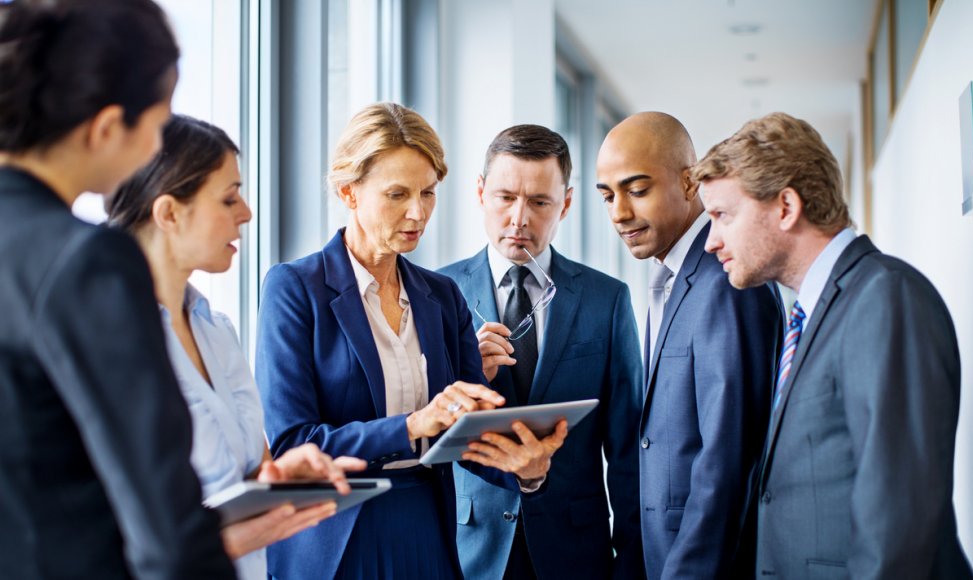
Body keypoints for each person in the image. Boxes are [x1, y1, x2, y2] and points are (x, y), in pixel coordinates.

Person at [255, 102, 565, 580]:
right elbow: (293, 441)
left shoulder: (441, 296)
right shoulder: (295, 288)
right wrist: (413, 424)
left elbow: (467, 434)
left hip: (428, 531)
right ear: (348, 192)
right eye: (397, 194)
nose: (417, 212)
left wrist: (527, 469)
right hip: (337, 538)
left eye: (428, 192)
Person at [0, 1, 235, 578]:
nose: (158, 149)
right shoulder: (86, 262)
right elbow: (167, 527)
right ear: (106, 128)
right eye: (157, 125)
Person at [692, 112, 973, 578]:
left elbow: (897, 525)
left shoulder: (885, 298)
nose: (711, 241)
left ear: (785, 207)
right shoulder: (813, 312)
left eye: (722, 215)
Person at [106, 114, 368, 580]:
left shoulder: (216, 330)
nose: (246, 212)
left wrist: (281, 476)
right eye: (229, 198)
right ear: (168, 213)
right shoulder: (107, 342)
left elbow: (243, 474)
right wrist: (225, 541)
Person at [439, 124, 644, 579]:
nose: (518, 219)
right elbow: (417, 430)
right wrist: (466, 377)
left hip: (575, 550)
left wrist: (632, 564)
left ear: (566, 203)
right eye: (505, 197)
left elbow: (627, 446)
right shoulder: (437, 293)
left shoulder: (605, 299)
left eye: (539, 202)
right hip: (469, 547)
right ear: (480, 192)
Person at [596, 112, 784, 579]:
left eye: (637, 190)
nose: (619, 212)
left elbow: (728, 460)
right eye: (607, 196)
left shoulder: (728, 279)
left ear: (688, 183)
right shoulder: (672, 279)